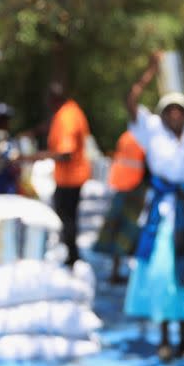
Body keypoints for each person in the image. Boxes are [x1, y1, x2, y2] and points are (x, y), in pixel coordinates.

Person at [124, 53, 184, 361]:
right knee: (163, 272)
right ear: (162, 114)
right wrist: (150, 71)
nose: (175, 115)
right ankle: (164, 336)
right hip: (164, 214)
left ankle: (182, 335)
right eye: (170, 110)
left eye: (180, 110)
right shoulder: (151, 132)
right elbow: (131, 102)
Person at [93, 130, 148, 284]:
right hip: (134, 190)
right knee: (126, 231)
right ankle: (123, 274)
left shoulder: (126, 135)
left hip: (122, 186)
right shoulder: (145, 137)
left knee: (117, 230)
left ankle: (115, 272)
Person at [46, 82, 92, 267]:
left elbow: (65, 153)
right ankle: (71, 254)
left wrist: (32, 157)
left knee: (66, 217)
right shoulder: (70, 112)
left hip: (70, 177)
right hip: (71, 176)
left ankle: (72, 257)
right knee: (68, 217)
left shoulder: (67, 116)